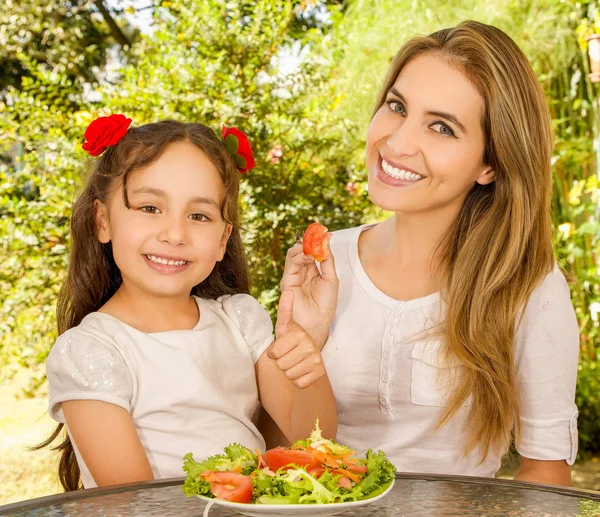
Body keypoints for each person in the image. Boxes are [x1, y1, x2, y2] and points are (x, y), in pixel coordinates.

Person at [278, 20, 579, 486]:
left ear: (490, 164)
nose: (397, 142)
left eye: (442, 127)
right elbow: (293, 447)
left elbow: (545, 473)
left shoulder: (527, 286)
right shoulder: (325, 262)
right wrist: (303, 350)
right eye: (396, 106)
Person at [41, 117, 337, 490]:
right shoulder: (91, 350)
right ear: (103, 221)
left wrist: (307, 355)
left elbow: (312, 438)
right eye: (150, 208)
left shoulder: (240, 320)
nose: (175, 234)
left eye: (199, 216)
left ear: (222, 239)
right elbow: (137, 502)